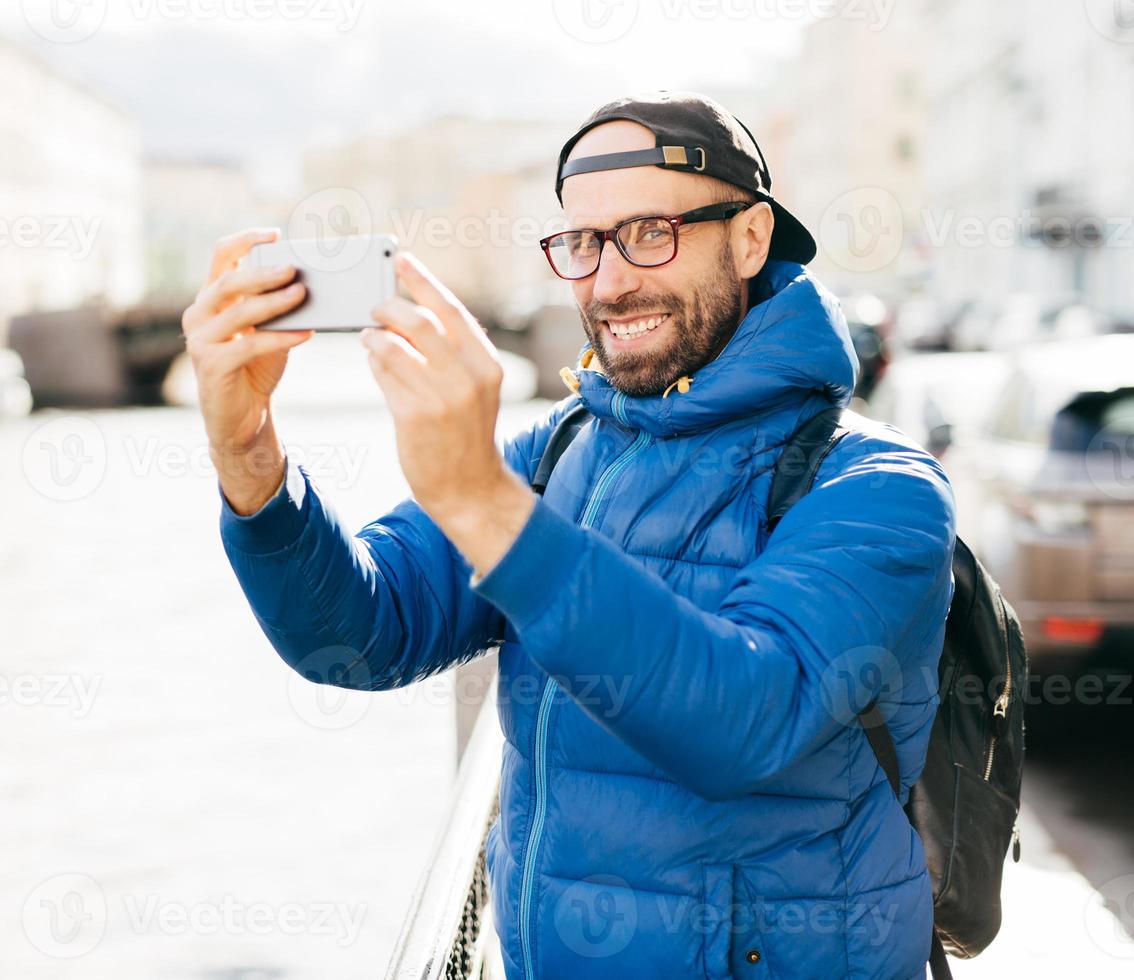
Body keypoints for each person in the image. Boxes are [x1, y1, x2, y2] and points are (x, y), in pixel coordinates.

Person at [181, 92, 955, 979]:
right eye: (582, 242)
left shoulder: (878, 486)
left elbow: (746, 722)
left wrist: (484, 504)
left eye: (650, 232)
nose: (610, 280)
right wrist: (247, 454)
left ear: (749, 239)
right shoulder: (556, 451)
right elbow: (355, 635)